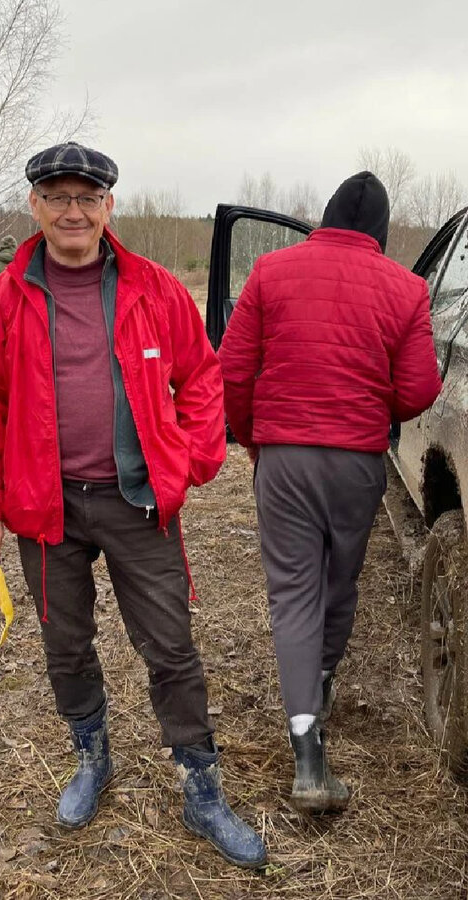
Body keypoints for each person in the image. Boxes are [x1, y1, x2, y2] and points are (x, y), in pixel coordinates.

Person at [0, 141, 267, 868]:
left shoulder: (154, 289)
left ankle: (201, 789)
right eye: (58, 197)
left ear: (109, 206)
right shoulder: (7, 297)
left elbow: (201, 378)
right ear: (34, 205)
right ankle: (93, 757)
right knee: (65, 644)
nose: (73, 210)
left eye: (87, 197)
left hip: (137, 503)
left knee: (171, 648)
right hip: (45, 508)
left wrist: (193, 459)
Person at [218, 171, 442, 813]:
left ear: (324, 217)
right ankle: (321, 681)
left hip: (284, 456)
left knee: (293, 591)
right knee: (340, 582)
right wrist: (375, 403)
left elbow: (233, 367)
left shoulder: (270, 270)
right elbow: (419, 391)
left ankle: (308, 752)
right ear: (379, 233)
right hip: (357, 463)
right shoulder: (407, 288)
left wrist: (250, 434)